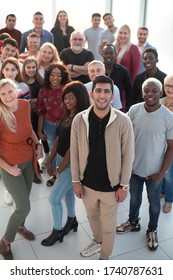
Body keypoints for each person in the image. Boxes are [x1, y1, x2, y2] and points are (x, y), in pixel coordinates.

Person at [70, 75, 134, 260]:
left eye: (107, 91)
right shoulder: (79, 119)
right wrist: (76, 181)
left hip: (111, 187)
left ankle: (104, 258)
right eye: (98, 90)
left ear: (112, 95)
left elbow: (128, 155)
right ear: (92, 94)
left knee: (108, 227)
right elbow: (74, 153)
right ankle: (97, 242)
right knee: (92, 218)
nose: (102, 95)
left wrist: (124, 185)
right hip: (87, 184)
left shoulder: (123, 121)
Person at [116, 77, 173, 251]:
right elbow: (123, 135)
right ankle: (133, 222)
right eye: (146, 91)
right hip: (133, 169)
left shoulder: (168, 117)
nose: (150, 94)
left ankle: (152, 230)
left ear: (160, 93)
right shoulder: (134, 110)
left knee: (154, 203)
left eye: (154, 91)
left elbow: (171, 148)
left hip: (154, 172)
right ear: (142, 93)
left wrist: (162, 173)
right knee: (134, 198)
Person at [41, 81, 90, 246]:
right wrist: (50, 160)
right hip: (61, 160)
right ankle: (72, 220)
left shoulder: (82, 118)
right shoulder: (67, 115)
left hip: (72, 164)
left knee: (54, 199)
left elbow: (73, 147)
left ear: (80, 97)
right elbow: (59, 139)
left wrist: (59, 169)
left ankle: (57, 231)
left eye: (71, 98)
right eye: (65, 98)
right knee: (68, 193)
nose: (67, 101)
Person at [0, 78, 43, 260]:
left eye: (10, 91)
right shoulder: (1, 114)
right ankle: (5, 241)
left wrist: (37, 143)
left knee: (24, 200)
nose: (7, 96)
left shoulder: (25, 105)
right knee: (23, 206)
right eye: (2, 94)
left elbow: (29, 128)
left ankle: (20, 226)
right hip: (10, 165)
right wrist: (8, 168)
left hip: (28, 159)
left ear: (16, 90)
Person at [37, 63, 70, 186]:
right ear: (48, 75)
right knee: (53, 149)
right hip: (49, 125)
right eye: (52, 74)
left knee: (61, 150)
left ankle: (57, 174)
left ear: (63, 77)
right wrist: (40, 131)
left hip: (64, 126)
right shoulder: (43, 91)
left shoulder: (67, 89)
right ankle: (54, 173)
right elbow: (41, 112)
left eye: (59, 75)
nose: (55, 78)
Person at [22, 57, 44, 183]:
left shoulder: (40, 82)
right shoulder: (22, 82)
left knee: (36, 142)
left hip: (36, 115)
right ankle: (31, 167)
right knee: (27, 142)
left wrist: (34, 102)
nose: (31, 70)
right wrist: (31, 101)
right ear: (24, 68)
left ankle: (36, 167)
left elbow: (42, 99)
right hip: (25, 116)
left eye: (33, 67)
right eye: (28, 67)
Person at [102, 43, 133, 112]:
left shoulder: (123, 71)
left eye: (111, 53)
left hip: (118, 108)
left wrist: (127, 110)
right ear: (102, 54)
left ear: (115, 55)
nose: (108, 56)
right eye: (106, 53)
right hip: (101, 107)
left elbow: (129, 93)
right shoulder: (98, 70)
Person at [160, 75, 173, 213]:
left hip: (172, 146)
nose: (170, 89)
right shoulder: (159, 102)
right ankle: (163, 191)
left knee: (170, 175)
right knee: (162, 171)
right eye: (167, 85)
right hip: (160, 144)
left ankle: (169, 200)